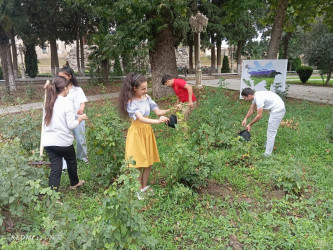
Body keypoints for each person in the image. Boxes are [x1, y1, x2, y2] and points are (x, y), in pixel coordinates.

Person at [119, 73, 169, 199]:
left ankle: (144, 186)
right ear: (134, 88)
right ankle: (138, 190)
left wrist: (173, 109)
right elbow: (140, 119)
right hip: (137, 133)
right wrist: (157, 121)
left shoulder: (146, 97)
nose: (146, 91)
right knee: (138, 162)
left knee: (148, 162)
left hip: (147, 132)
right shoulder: (130, 102)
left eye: (146, 88)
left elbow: (158, 111)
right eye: (143, 89)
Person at [42, 76, 88, 191]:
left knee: (55, 169)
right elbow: (71, 125)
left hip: (49, 142)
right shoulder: (66, 103)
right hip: (63, 142)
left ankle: (53, 195)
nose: (69, 90)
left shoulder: (48, 102)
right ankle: (74, 183)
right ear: (64, 88)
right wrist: (81, 118)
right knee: (71, 161)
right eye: (68, 87)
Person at [241, 87, 286, 156]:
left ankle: (267, 154)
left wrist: (250, 124)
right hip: (275, 108)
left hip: (278, 110)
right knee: (271, 129)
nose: (245, 100)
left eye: (245, 98)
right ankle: (268, 145)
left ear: (249, 96)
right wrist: (245, 118)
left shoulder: (259, 99)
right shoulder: (255, 96)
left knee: (271, 132)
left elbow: (259, 115)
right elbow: (252, 109)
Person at [59, 67, 89, 164]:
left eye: (63, 76)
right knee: (64, 140)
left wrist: (81, 109)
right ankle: (64, 163)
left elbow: (82, 102)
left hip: (78, 118)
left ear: (69, 76)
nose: (60, 79)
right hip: (64, 118)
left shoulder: (77, 89)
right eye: (59, 77)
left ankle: (82, 157)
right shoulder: (58, 90)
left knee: (81, 139)